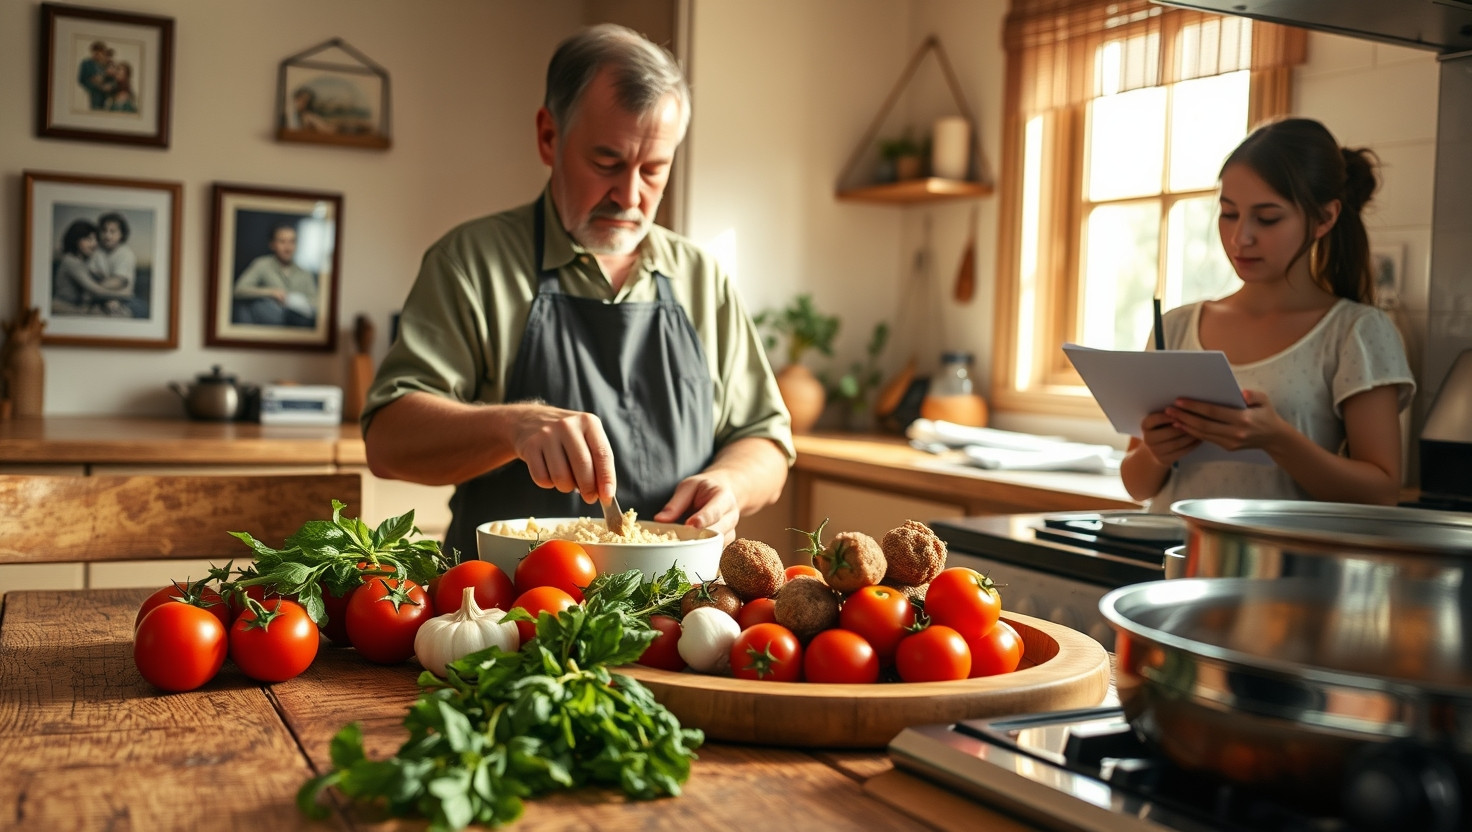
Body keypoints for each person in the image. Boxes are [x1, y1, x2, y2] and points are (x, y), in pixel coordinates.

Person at [362, 23, 794, 557]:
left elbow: (767, 440)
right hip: (509, 605)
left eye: (654, 169)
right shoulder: (471, 263)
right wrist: (512, 426)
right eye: (606, 163)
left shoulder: (703, 279)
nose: (630, 195)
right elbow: (388, 440)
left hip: (675, 612)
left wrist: (732, 483)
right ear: (549, 136)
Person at [1120, 117, 1415, 510]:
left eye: (1268, 218)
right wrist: (1156, 452)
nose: (1241, 237)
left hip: (1287, 566)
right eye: (1228, 214)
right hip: (1177, 562)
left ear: (1325, 218)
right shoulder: (1174, 327)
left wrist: (1276, 439)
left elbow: (1381, 493)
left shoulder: (1355, 332)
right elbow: (1137, 486)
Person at [232, 223, 319, 327]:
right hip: (268, 324)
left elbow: (316, 303)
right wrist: (271, 292)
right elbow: (239, 290)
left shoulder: (305, 273)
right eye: (282, 241)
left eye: (292, 242)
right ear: (272, 244)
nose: (287, 247)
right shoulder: (262, 265)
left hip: (297, 327)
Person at [52, 219, 131, 315]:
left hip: (76, 306)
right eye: (89, 239)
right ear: (76, 239)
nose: (94, 244)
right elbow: (96, 290)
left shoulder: (82, 262)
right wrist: (125, 295)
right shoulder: (71, 262)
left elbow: (98, 281)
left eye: (95, 240)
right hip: (64, 307)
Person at [77, 41, 110, 110]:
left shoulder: (107, 64)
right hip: (92, 93)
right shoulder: (86, 63)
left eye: (101, 52)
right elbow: (81, 79)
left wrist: (105, 83)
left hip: (106, 95)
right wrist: (94, 83)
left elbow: (112, 78)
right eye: (96, 52)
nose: (98, 55)